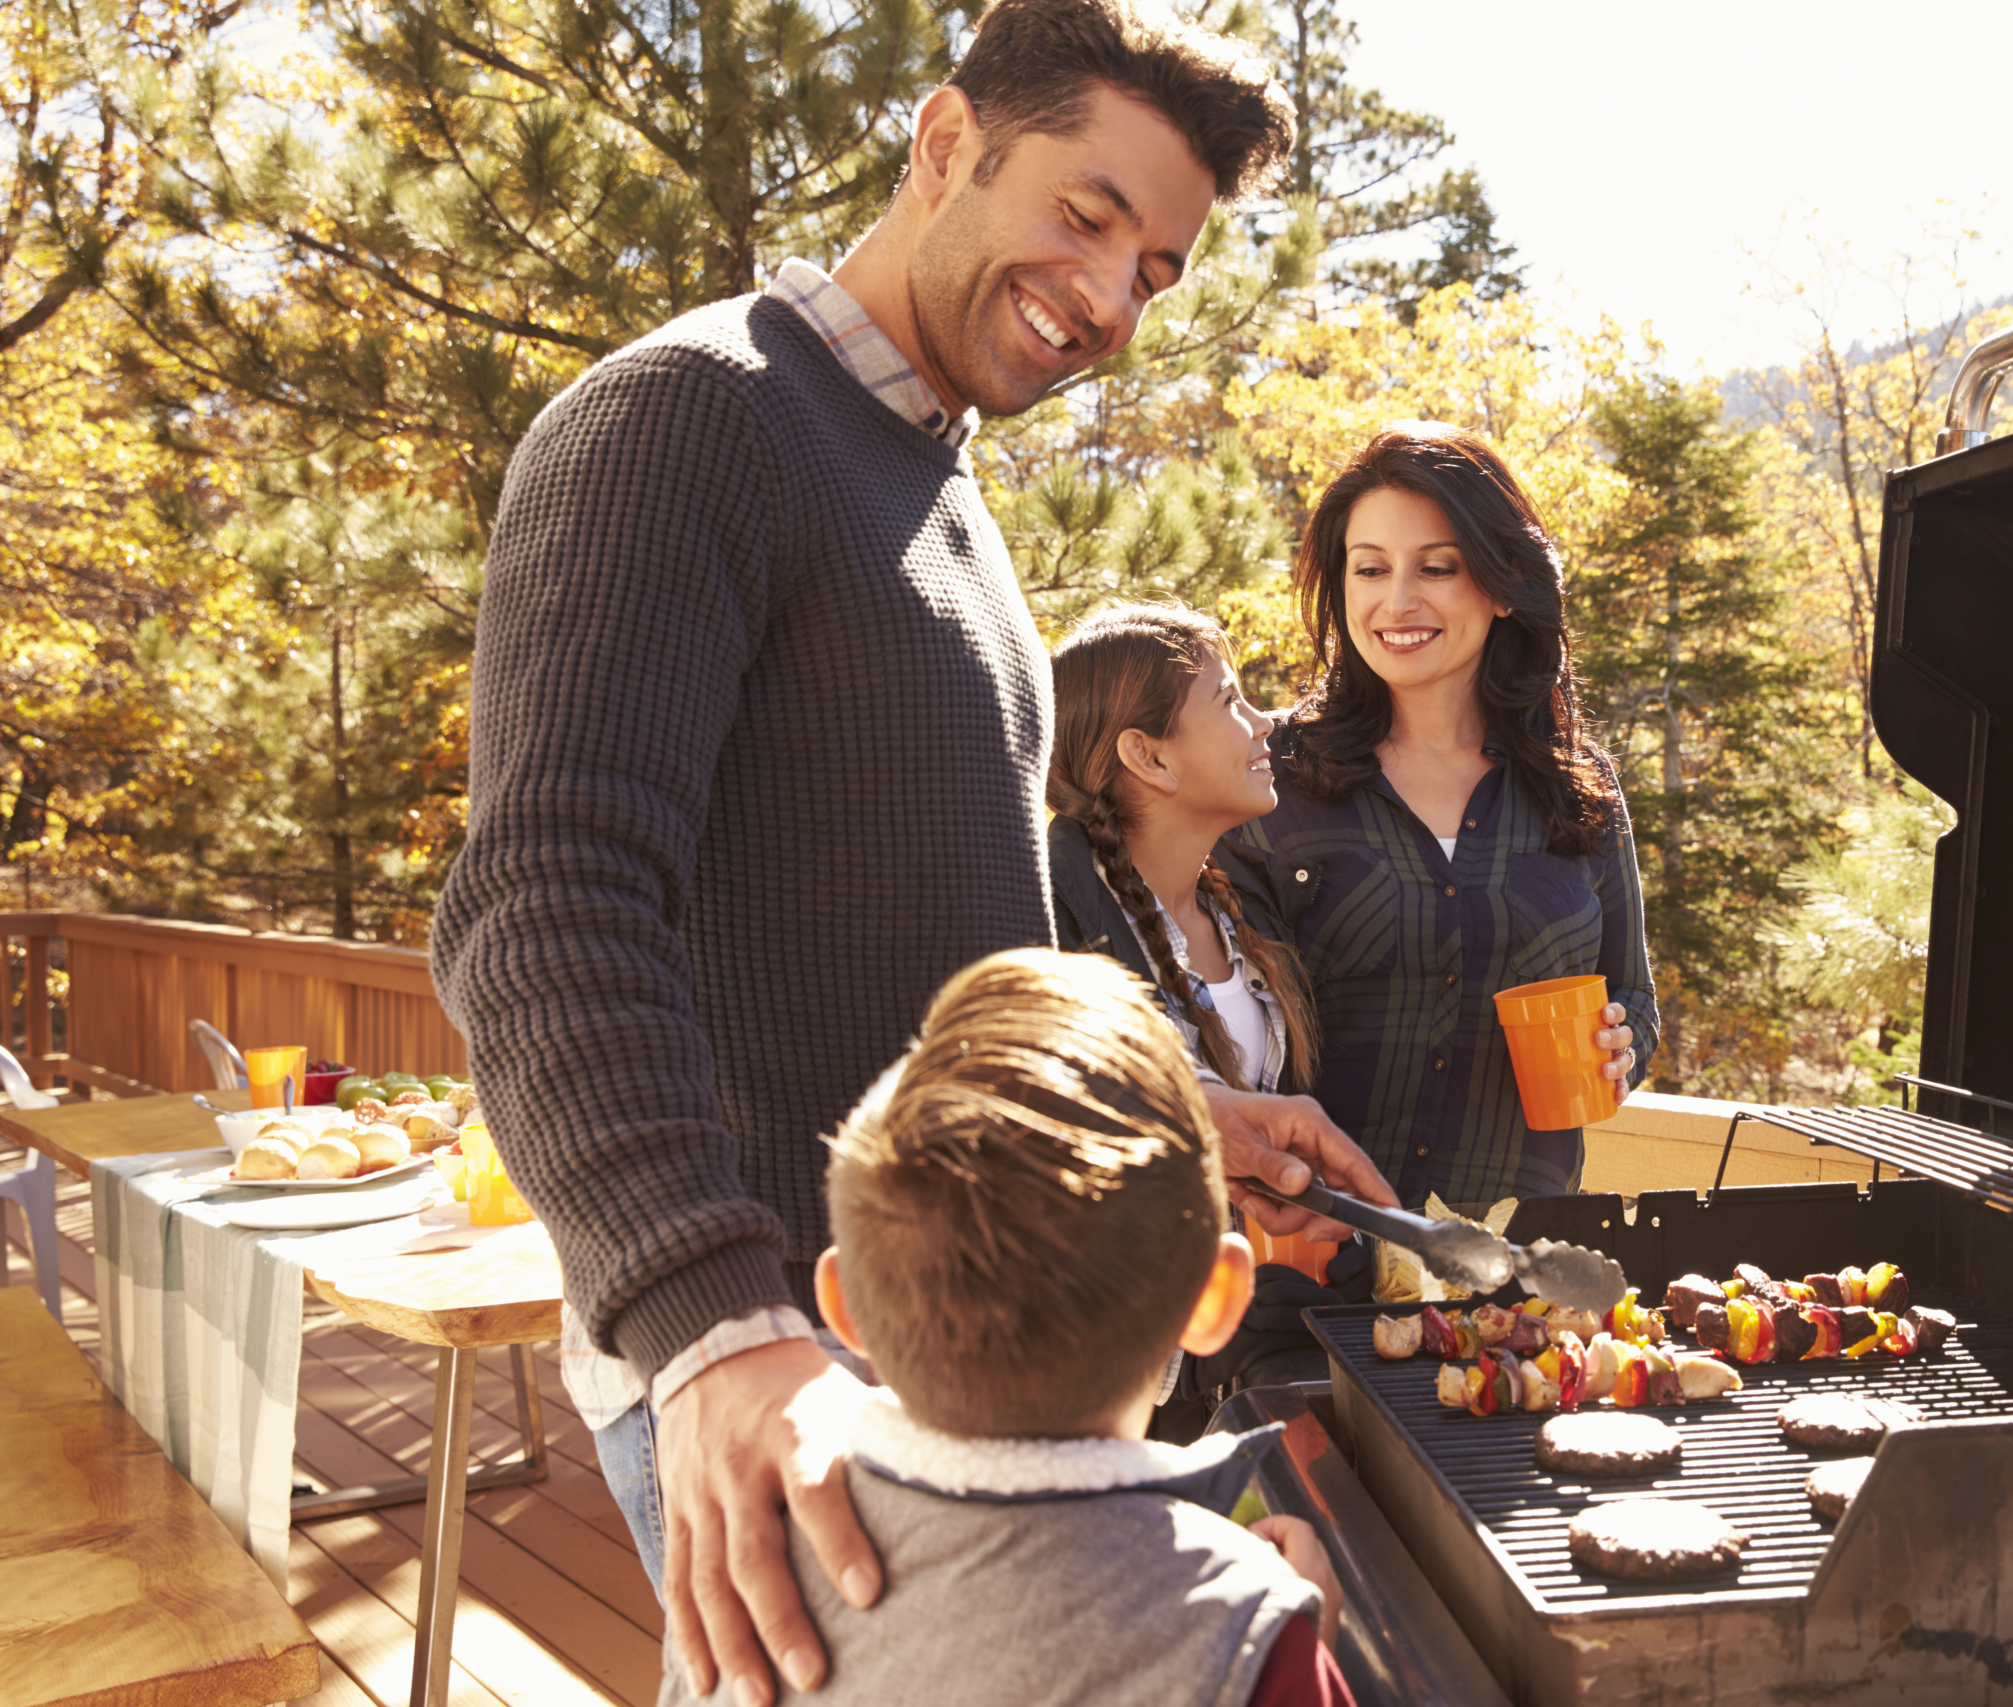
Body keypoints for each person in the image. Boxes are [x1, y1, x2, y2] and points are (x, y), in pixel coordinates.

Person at [429, 6, 1393, 1703]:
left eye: (1155, 269)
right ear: (945, 141)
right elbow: (544, 906)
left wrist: (1167, 1114)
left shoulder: (945, 504)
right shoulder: (691, 419)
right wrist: (714, 1325)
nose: (1109, 299)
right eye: (1087, 217)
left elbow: (964, 949)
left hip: (947, 1370)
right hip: (778, 1361)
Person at [657, 947, 1353, 1707]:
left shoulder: (741, 1578)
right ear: (1216, 1297)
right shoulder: (1236, 1625)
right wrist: (1293, 1645)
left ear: (842, 1304)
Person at [1223, 422, 1658, 1212]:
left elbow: (1634, 997)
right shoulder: (1267, 773)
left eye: (1437, 568)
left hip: (1515, 1279)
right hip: (1313, 1259)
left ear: (1499, 585)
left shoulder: (1578, 786)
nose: (1398, 601)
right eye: (1370, 569)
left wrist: (1620, 1048)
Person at [1045, 602, 1373, 1433]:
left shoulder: (1242, 912)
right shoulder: (1054, 921)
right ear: (1147, 755)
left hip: (1246, 1361)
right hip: (1118, 1385)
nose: (1265, 723)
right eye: (1230, 701)